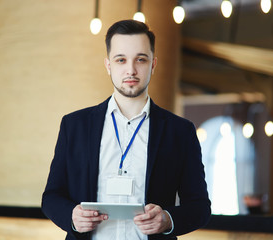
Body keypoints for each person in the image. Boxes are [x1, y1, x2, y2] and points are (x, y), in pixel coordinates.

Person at [42, 19, 211, 240]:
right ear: (108, 65)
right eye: (121, 60)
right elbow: (51, 197)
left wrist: (168, 219)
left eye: (140, 59)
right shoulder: (74, 125)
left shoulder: (180, 132)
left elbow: (200, 207)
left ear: (153, 64)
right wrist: (72, 217)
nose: (131, 70)